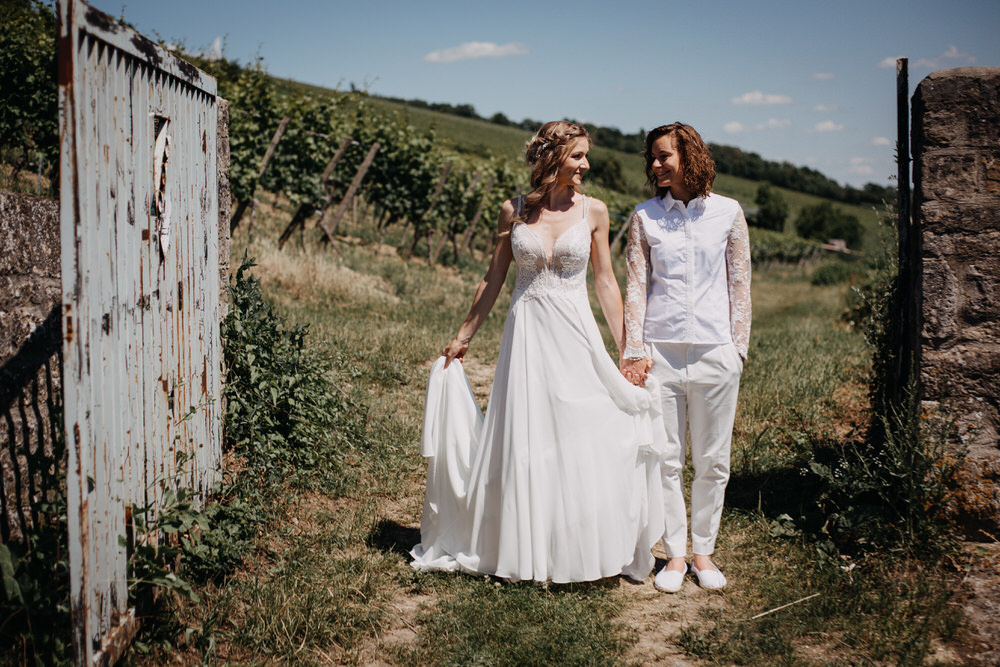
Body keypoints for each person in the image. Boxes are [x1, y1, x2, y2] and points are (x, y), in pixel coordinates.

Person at [410, 121, 665, 583]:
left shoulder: (595, 212)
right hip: (526, 332)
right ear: (552, 158)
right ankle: (523, 544)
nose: (586, 165)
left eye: (586, 156)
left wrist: (629, 349)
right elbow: (494, 278)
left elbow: (605, 282)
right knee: (528, 439)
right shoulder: (514, 211)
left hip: (574, 332)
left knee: (581, 427)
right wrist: (465, 334)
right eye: (578, 156)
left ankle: (577, 542)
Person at [620, 122, 751, 593]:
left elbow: (740, 283)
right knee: (667, 458)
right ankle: (675, 554)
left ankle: (704, 552)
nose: (655, 165)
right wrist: (634, 350)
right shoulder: (644, 216)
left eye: (663, 156)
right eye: (652, 158)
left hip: (717, 352)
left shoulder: (729, 213)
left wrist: (738, 350)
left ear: (688, 156)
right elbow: (635, 284)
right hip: (661, 355)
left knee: (714, 459)